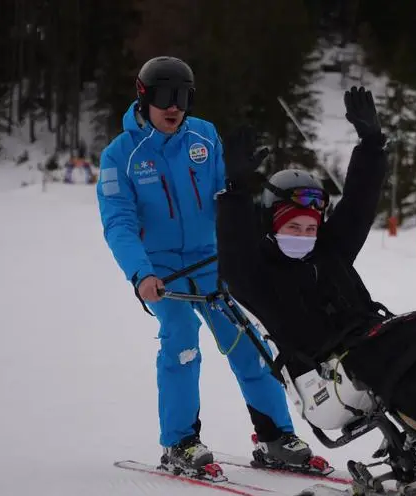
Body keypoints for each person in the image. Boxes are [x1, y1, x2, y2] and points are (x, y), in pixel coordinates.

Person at [215, 86, 416, 459]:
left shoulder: (331, 252)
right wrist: (233, 191)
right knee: (388, 352)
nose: (304, 236)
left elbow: (359, 202)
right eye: (292, 228)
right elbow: (233, 255)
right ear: (269, 227)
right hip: (320, 379)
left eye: (311, 228)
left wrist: (372, 143)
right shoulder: (258, 274)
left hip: (362, 349)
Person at [95, 56, 317, 474]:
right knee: (181, 340)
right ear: (143, 97)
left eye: (182, 96)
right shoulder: (120, 156)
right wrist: (141, 273)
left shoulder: (205, 137)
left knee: (249, 345)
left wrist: (237, 184)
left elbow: (226, 201)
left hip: (211, 261)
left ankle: (275, 438)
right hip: (161, 271)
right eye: (163, 96)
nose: (173, 106)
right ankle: (180, 442)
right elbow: (119, 223)